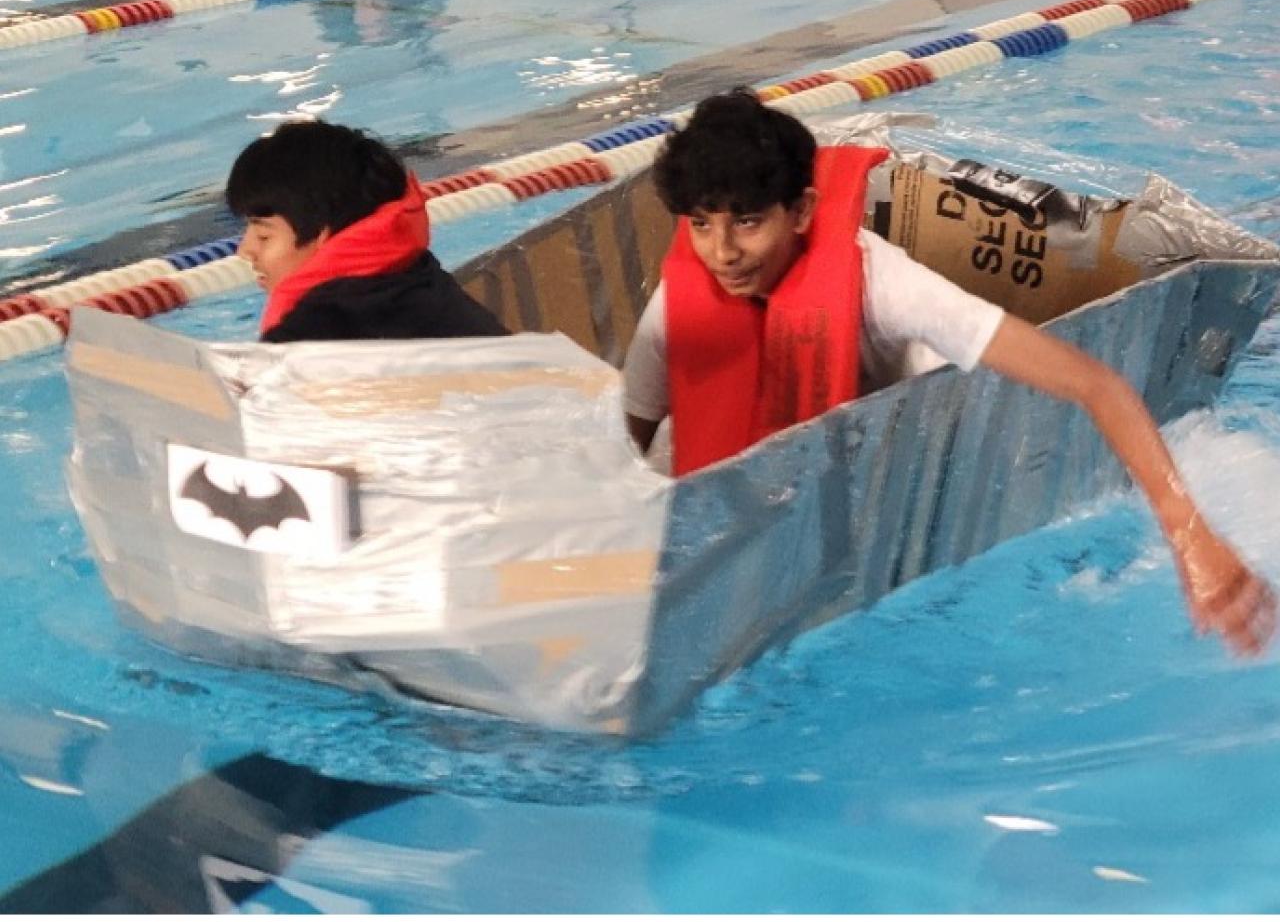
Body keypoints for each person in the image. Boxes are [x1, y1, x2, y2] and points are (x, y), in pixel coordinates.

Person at [622, 88, 1276, 657]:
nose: (723, 253)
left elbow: (1092, 383)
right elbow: (632, 441)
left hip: (907, 443)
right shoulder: (680, 304)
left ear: (801, 212)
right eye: (701, 226)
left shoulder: (887, 287)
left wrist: (1192, 536)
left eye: (747, 222)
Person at [227, 119, 507, 342]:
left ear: (324, 237)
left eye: (264, 236)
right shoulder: (419, 276)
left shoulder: (312, 336)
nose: (245, 251)